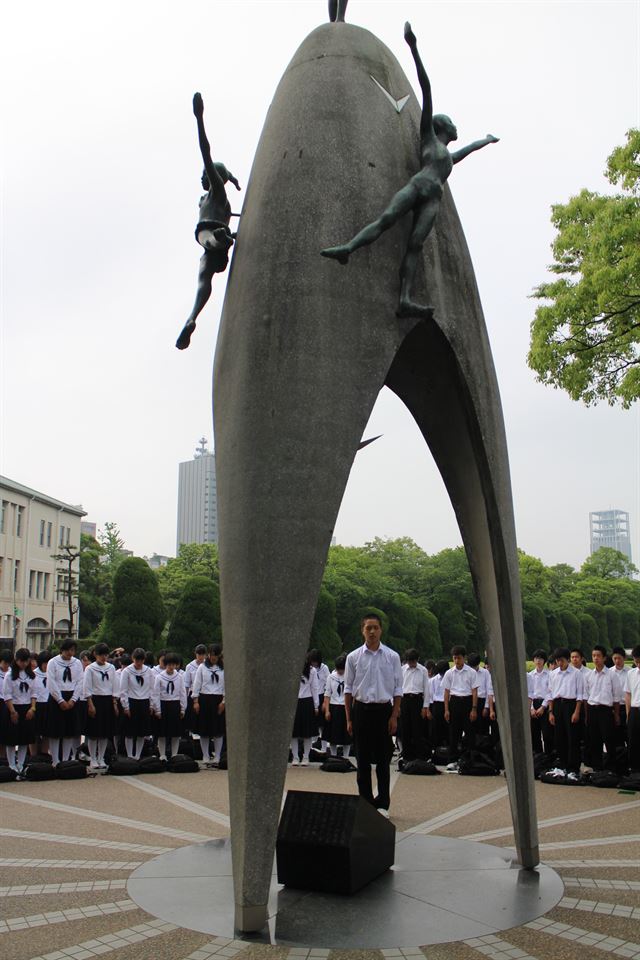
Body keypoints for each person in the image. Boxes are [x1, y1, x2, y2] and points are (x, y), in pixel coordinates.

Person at [321, 21, 498, 319]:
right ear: (442, 126)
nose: (456, 127)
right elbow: (426, 89)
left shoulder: (449, 157)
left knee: (415, 244)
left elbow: (469, 150)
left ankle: (405, 298)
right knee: (387, 218)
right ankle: (348, 248)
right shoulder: (429, 139)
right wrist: (413, 48)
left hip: (433, 199)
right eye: (452, 123)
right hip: (418, 186)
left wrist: (487, 140)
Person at [176, 92, 241, 350]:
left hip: (209, 234)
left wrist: (199, 118)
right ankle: (192, 318)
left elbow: (206, 151)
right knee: (204, 279)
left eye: (207, 173)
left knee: (210, 244)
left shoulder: (217, 192)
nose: (203, 176)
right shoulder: (207, 198)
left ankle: (224, 239)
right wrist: (235, 180)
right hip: (212, 246)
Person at [344, 613, 403, 813]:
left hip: (383, 711)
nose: (372, 631)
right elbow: (348, 690)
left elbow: (397, 689)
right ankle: (366, 803)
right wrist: (349, 719)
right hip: (360, 710)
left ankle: (383, 803)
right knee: (362, 761)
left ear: (381, 630)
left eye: (375, 627)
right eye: (368, 627)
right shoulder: (353, 657)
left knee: (383, 761)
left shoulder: (392, 656)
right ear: (362, 630)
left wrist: (394, 715)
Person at [547, 646, 585, 781]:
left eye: (562, 660)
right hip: (557, 705)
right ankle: (562, 765)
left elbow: (580, 694)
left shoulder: (576, 673)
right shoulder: (553, 674)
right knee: (559, 737)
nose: (560, 663)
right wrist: (551, 712)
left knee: (572, 738)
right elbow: (550, 694)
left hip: (571, 704)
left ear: (567, 660)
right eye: (557, 660)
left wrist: (577, 712)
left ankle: (573, 768)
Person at [46, 639, 84, 765]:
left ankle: (66, 759)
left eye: (73, 650)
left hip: (72, 696)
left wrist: (73, 699)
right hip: (57, 698)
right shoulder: (53, 662)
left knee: (69, 731)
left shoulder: (77, 663)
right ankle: (55, 760)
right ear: (62, 649)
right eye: (68, 650)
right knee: (55, 732)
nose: (70, 653)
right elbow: (51, 682)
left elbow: (80, 681)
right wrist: (60, 700)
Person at [83, 643, 119, 769]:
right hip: (95, 699)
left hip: (108, 700)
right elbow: (87, 687)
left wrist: (114, 702)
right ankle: (93, 758)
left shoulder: (111, 668)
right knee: (94, 733)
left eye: (105, 655)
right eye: (101, 654)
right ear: (95, 654)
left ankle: (101, 757)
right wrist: (90, 704)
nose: (104, 657)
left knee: (104, 732)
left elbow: (115, 685)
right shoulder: (90, 669)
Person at [1, 648, 37, 774]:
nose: (24, 664)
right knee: (11, 739)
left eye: (26, 661)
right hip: (13, 708)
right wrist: (12, 711)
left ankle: (20, 764)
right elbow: (7, 695)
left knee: (24, 739)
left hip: (27, 708)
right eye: (21, 661)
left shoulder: (31, 675)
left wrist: (32, 708)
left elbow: (33, 693)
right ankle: (11, 765)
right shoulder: (9, 675)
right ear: (16, 661)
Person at [442, 645, 479, 767]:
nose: (456, 661)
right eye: (454, 658)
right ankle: (453, 760)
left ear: (464, 658)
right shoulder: (449, 673)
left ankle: (470, 759)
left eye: (459, 658)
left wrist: (474, 709)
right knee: (454, 732)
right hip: (455, 702)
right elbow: (446, 692)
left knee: (470, 732)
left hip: (467, 701)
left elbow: (474, 691)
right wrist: (446, 709)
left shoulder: (471, 672)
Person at [584, 645, 619, 772]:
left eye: (598, 656)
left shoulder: (611, 675)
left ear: (604, 658)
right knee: (594, 740)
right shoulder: (589, 675)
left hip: (606, 710)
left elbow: (616, 697)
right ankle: (597, 768)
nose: (595, 658)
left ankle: (611, 768)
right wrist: (587, 716)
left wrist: (616, 715)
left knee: (609, 740)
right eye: (593, 656)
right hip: (592, 709)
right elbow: (586, 696)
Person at [192, 644, 225, 766]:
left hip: (218, 699)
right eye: (211, 655)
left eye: (216, 656)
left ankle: (217, 756)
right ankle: (205, 756)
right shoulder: (202, 667)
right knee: (204, 730)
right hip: (204, 698)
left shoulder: (223, 668)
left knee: (218, 730)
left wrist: (224, 702)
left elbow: (226, 685)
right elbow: (197, 683)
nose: (213, 658)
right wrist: (195, 700)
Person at [119, 648, 155, 759]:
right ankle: (130, 755)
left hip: (144, 702)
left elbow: (152, 689)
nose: (139, 663)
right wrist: (126, 706)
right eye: (136, 660)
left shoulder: (148, 671)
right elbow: (123, 690)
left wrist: (151, 704)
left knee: (141, 732)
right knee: (129, 732)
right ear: (133, 659)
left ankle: (137, 756)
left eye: (141, 660)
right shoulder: (127, 671)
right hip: (131, 701)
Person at [152, 653, 187, 761]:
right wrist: (157, 709)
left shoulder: (180, 677)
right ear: (165, 664)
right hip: (163, 704)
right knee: (162, 733)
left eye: (173, 665)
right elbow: (156, 694)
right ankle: (162, 754)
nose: (171, 667)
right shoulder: (159, 677)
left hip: (175, 704)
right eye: (169, 664)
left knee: (175, 733)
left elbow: (182, 693)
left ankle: (174, 755)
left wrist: (182, 708)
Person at [399, 648, 431, 761]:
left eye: (413, 661)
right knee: (405, 729)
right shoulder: (402, 670)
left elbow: (427, 689)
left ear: (417, 659)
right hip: (405, 699)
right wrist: (396, 705)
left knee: (418, 729)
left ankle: (419, 756)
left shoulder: (423, 670)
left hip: (417, 700)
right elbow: (397, 687)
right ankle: (407, 756)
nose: (411, 663)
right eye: (409, 661)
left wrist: (425, 707)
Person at [290, 654, 320, 766]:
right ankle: (295, 757)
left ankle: (306, 757)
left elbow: (315, 688)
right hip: (294, 702)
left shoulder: (312, 671)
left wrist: (316, 705)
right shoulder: (292, 668)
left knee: (307, 733)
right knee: (294, 733)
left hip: (307, 702)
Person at [322, 654, 352, 757]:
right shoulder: (331, 677)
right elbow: (327, 694)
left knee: (346, 735)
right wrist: (327, 710)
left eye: (342, 669)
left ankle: (346, 756)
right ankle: (333, 755)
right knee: (332, 735)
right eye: (338, 669)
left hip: (345, 707)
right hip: (334, 706)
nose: (340, 671)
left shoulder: (350, 677)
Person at [527, 649, 551, 756]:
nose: (538, 661)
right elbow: (529, 692)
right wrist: (531, 708)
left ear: (544, 661)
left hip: (545, 705)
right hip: (533, 704)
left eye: (540, 658)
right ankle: (538, 756)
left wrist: (543, 707)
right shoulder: (530, 675)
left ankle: (548, 756)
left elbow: (550, 692)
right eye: (536, 658)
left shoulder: (549, 675)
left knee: (546, 734)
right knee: (534, 733)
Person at [624, 645, 640, 774]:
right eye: (636, 661)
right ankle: (634, 769)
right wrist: (628, 713)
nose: (638, 664)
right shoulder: (631, 673)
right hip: (635, 710)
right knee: (633, 741)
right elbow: (628, 694)